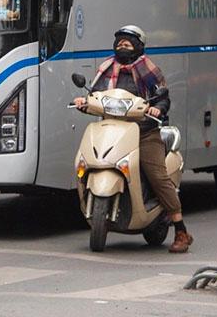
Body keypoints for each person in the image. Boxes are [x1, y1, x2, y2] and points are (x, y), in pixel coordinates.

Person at [72, 25, 193, 253]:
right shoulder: (107, 68)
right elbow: (94, 94)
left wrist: (158, 108)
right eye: (120, 41)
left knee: (157, 176)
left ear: (138, 46)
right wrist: (84, 101)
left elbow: (163, 97)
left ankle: (181, 230)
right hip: (112, 128)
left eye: (128, 42)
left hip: (144, 132)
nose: (123, 46)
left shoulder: (149, 69)